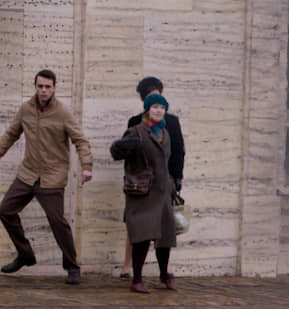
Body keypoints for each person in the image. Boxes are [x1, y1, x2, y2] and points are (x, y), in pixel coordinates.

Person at [0, 69, 93, 285]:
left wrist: (86, 166)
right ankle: (25, 254)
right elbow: (11, 134)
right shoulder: (26, 109)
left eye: (47, 87)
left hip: (52, 176)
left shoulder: (62, 112)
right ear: (35, 86)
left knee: (57, 221)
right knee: (5, 210)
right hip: (28, 173)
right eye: (40, 86)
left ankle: (72, 266)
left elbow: (80, 140)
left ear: (54, 88)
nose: (43, 90)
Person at [110, 94, 177, 293]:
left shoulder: (165, 133)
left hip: (163, 192)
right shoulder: (136, 131)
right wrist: (120, 148)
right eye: (155, 106)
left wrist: (173, 185)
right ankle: (137, 279)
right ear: (147, 109)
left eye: (162, 107)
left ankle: (164, 275)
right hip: (142, 192)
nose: (158, 110)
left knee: (165, 237)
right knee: (142, 236)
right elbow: (116, 153)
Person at [120, 77, 185, 279]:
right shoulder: (135, 122)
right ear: (144, 102)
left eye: (158, 98)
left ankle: (165, 269)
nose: (156, 106)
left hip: (164, 182)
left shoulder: (172, 122)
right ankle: (127, 265)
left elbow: (178, 152)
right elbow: (126, 154)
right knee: (136, 224)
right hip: (140, 183)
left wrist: (177, 179)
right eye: (151, 99)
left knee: (165, 226)